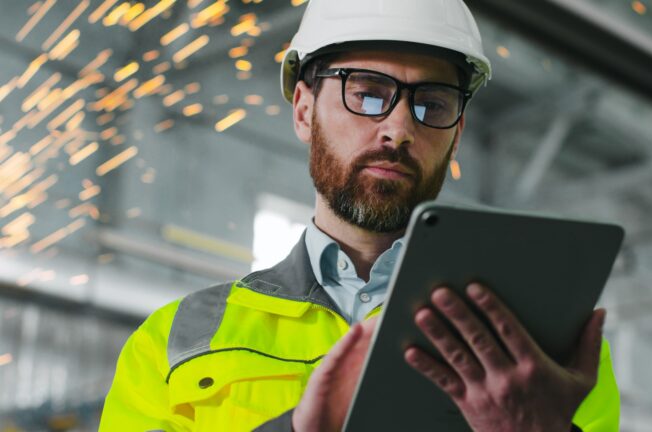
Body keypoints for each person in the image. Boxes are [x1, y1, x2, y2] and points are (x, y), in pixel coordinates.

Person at [100, 0, 620, 430]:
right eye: (367, 93)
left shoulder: (541, 348)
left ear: (456, 135)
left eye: (432, 105)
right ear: (304, 110)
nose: (398, 129)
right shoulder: (175, 342)